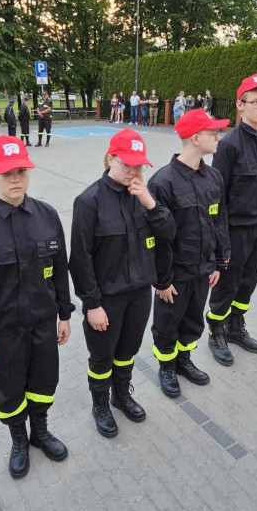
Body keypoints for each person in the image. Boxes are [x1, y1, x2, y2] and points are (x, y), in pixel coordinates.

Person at [0, 136, 74, 478]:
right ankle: (19, 439)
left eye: (21, 171)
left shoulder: (47, 215)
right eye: (6, 172)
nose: (15, 179)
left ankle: (40, 431)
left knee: (43, 381)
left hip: (42, 322)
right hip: (3, 330)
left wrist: (64, 314)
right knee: (11, 389)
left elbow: (61, 269)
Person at [70, 128, 173, 438]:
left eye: (139, 165)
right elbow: (80, 259)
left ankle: (121, 395)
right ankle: (100, 404)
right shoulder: (89, 200)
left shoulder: (142, 196)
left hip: (139, 293)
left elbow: (169, 234)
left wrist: (150, 203)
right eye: (127, 164)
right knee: (101, 356)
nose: (134, 171)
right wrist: (92, 304)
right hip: (106, 298)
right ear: (110, 159)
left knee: (127, 350)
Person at [147, 109, 230, 398]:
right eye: (212, 132)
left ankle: (184, 361)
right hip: (175, 273)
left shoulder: (214, 176)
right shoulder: (163, 182)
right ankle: (166, 367)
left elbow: (219, 220)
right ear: (195, 138)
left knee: (193, 320)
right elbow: (155, 238)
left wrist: (219, 261)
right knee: (167, 323)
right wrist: (161, 280)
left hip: (203, 268)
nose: (217, 137)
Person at [206, 74, 257, 367]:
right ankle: (217, 333)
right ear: (240, 105)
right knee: (227, 284)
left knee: (247, 283)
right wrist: (219, 242)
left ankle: (236, 328)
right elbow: (217, 196)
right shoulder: (229, 145)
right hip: (233, 230)